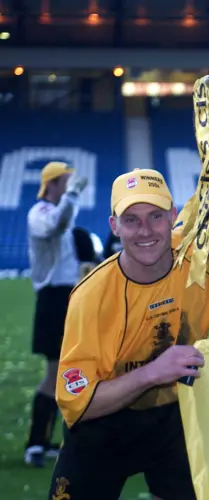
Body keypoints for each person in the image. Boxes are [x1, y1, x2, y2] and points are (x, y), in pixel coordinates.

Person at [48, 168, 209, 500]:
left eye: (155, 216)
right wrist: (152, 373)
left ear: (173, 217)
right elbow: (79, 404)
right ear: (114, 226)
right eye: (131, 219)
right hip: (104, 426)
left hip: (174, 418)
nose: (145, 230)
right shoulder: (90, 297)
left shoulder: (197, 259)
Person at [25, 161, 88, 467]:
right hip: (53, 299)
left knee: (67, 372)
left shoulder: (57, 213)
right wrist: (72, 197)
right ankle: (35, 443)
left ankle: (48, 441)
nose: (69, 186)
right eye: (65, 181)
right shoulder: (39, 214)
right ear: (51, 184)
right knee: (53, 374)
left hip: (67, 297)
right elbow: (57, 225)